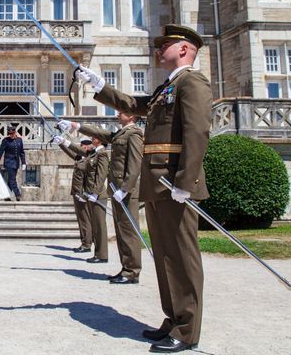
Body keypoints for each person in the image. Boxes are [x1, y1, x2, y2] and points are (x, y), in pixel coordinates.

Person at [76, 24, 211, 353]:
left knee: (182, 257)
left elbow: (197, 133)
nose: (158, 49)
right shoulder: (168, 86)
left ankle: (187, 329)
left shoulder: (192, 81)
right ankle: (173, 317)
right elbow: (135, 104)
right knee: (164, 256)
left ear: (183, 49)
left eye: (164, 45)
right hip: (158, 184)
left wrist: (185, 182)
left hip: (174, 184)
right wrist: (100, 85)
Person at [60, 114, 144, 284]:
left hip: (123, 191)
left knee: (127, 231)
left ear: (132, 116)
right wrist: (75, 126)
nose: (118, 114)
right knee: (121, 232)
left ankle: (131, 271)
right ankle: (126, 269)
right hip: (116, 190)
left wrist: (125, 188)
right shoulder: (120, 134)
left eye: (122, 111)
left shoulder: (134, 134)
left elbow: (134, 164)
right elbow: (85, 146)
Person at [53, 136, 93, 253]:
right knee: (81, 219)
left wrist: (85, 194)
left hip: (82, 193)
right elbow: (71, 152)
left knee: (84, 219)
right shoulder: (80, 157)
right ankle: (85, 242)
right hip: (76, 193)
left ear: (85, 147)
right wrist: (60, 143)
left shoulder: (88, 157)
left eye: (81, 146)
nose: (79, 148)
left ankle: (87, 244)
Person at [81, 132, 110, 264]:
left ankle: (102, 255)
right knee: (95, 225)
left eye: (95, 137)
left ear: (101, 141)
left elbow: (101, 175)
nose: (92, 138)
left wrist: (95, 192)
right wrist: (65, 143)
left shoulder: (102, 153)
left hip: (98, 195)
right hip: (92, 194)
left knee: (99, 225)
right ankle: (98, 253)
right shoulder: (94, 153)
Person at [0, 125, 26, 201]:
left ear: (15, 132)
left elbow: (22, 152)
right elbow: (0, 152)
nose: (11, 135)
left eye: (12, 133)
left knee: (10, 180)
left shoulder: (19, 140)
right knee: (12, 180)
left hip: (16, 163)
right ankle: (17, 194)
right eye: (10, 134)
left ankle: (7, 196)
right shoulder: (5, 140)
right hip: (9, 162)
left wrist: (23, 163)